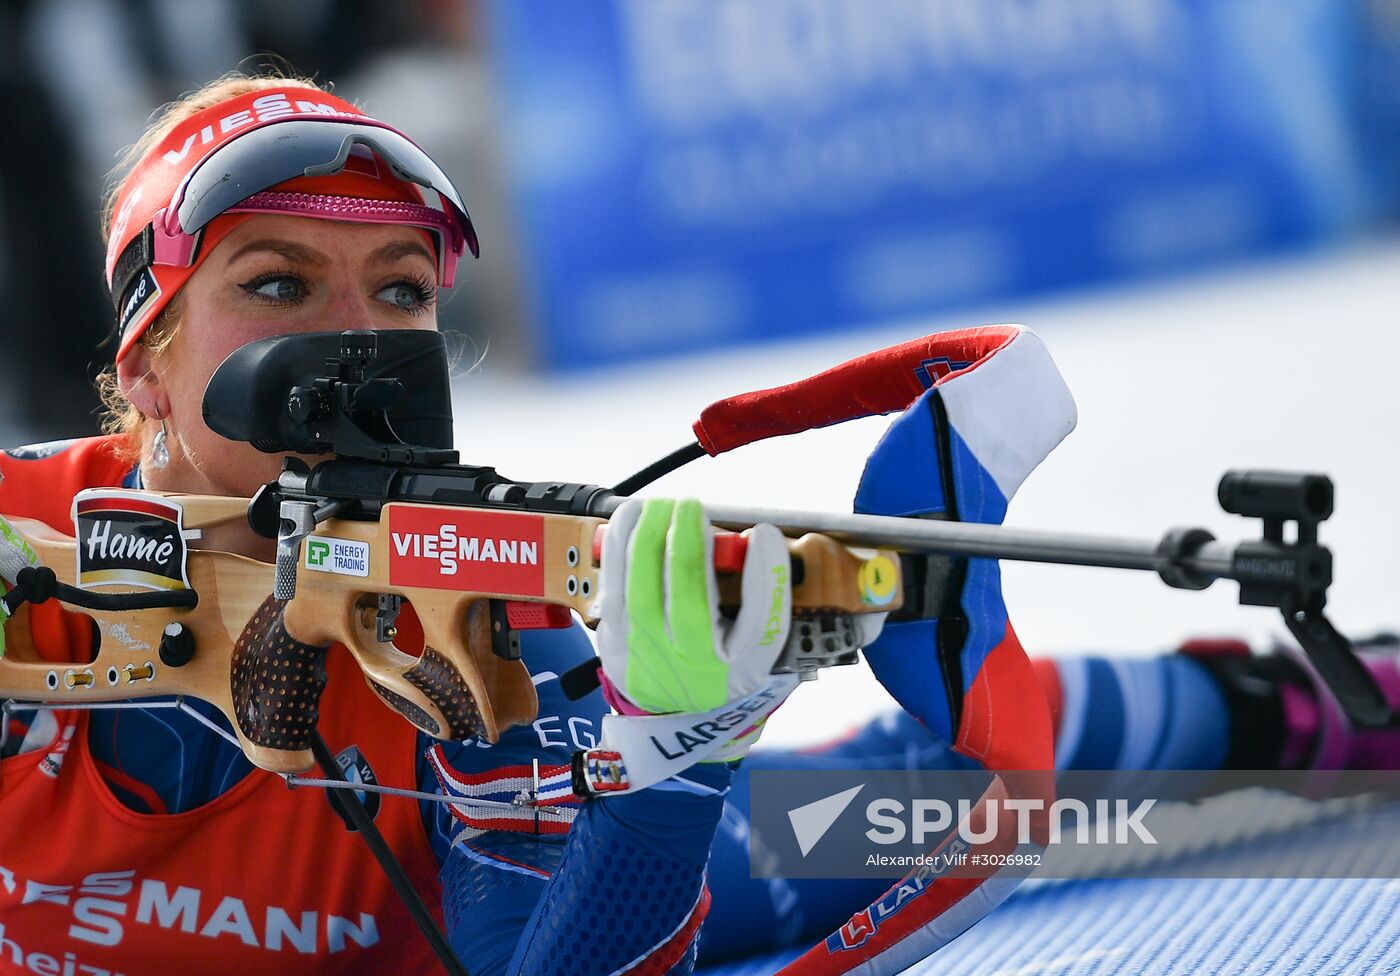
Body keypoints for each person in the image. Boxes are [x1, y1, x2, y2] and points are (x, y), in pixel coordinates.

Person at [0, 73, 1395, 976]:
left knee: (922, 787)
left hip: (688, 877)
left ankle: (1322, 700)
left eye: (404, 293)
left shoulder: (470, 622)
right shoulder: (22, 544)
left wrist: (668, 756)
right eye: (281, 285)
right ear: (143, 360)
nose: (358, 345)